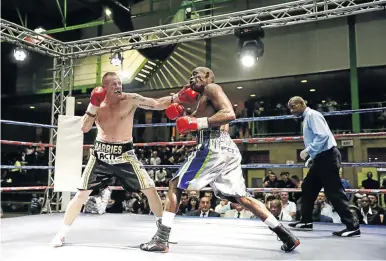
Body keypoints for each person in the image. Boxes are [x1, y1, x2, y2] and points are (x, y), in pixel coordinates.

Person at [140, 67, 300, 253]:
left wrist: (195, 122)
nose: (192, 77)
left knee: (175, 185)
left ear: (208, 77)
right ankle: (286, 235)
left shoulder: (212, 88)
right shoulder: (203, 99)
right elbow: (202, 120)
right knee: (243, 198)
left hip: (213, 147)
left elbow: (229, 114)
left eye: (196, 74)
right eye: (190, 75)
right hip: (227, 149)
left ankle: (161, 239)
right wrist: (184, 113)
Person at [51, 71, 198, 247]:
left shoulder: (130, 99)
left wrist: (177, 97)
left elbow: (156, 104)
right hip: (101, 155)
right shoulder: (98, 104)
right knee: (81, 194)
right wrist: (93, 105)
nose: (118, 86)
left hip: (125, 154)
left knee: (150, 189)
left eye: (119, 83)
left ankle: (163, 232)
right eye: (113, 84)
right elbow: (84, 127)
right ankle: (62, 233)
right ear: (104, 88)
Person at [287, 96, 360, 237]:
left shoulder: (313, 115)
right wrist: (312, 156)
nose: (291, 110)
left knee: (334, 192)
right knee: (307, 186)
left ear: (302, 103)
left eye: (294, 106)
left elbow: (323, 136)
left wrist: (309, 150)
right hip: (320, 158)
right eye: (290, 108)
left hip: (327, 156)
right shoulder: (307, 117)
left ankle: (352, 225)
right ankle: (306, 221)